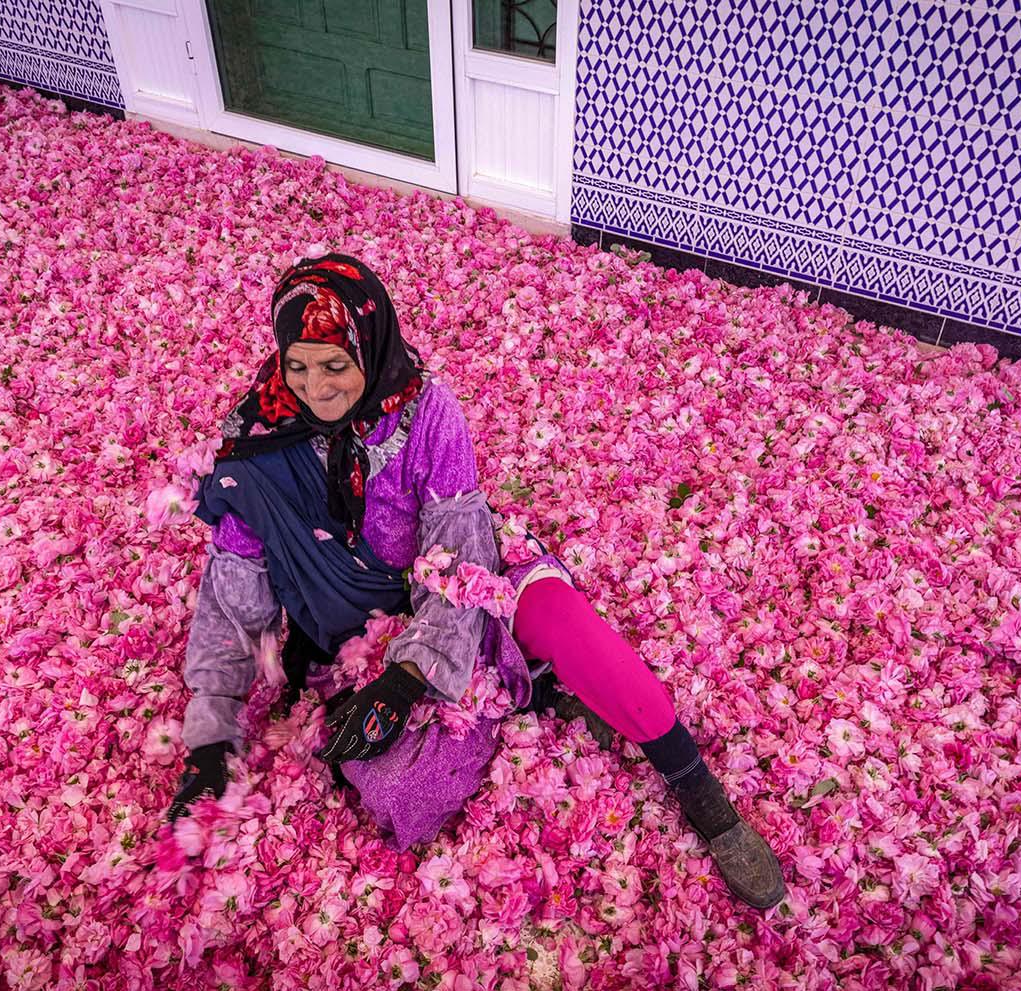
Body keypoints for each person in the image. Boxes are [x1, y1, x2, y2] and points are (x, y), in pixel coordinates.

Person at [168, 254, 786, 909]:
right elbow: (231, 603)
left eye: (334, 364)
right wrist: (210, 742)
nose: (314, 386)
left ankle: (701, 791)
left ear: (368, 348)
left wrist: (412, 674)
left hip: (460, 590)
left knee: (566, 624)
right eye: (297, 364)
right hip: (356, 633)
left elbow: (460, 558)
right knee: (394, 792)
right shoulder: (260, 446)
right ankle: (533, 691)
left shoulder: (425, 413)